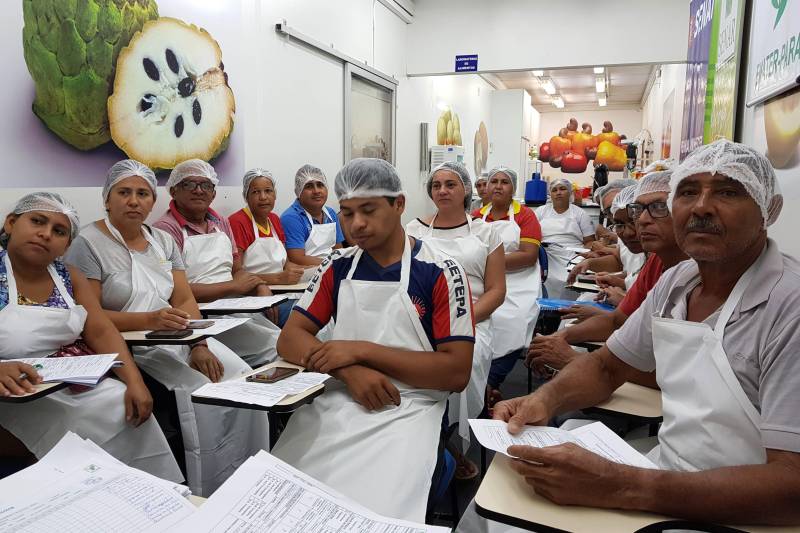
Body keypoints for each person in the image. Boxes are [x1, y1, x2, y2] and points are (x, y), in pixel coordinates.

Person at [483, 140, 800, 527]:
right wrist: (544, 399)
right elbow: (607, 367)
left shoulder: (789, 306)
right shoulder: (678, 281)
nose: (701, 206)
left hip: (745, 515)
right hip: (667, 472)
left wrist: (623, 486)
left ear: (768, 209)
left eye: (728, 191)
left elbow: (792, 482)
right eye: (687, 192)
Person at [271, 158, 474, 521]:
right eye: (346, 213)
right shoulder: (337, 267)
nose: (356, 224)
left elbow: (455, 371)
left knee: (375, 511)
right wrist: (351, 372)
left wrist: (361, 350)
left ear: (399, 204)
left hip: (410, 406)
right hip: (338, 397)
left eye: (368, 210)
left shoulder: (440, 271)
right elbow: (290, 339)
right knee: (288, 499)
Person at [65, 160, 268, 496]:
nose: (134, 201)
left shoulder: (162, 240)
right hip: (132, 346)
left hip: (182, 335)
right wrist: (150, 320)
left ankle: (247, 475)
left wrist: (199, 345)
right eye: (124, 192)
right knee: (198, 392)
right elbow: (91, 316)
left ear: (152, 200)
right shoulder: (87, 243)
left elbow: (185, 298)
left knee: (240, 378)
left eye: (142, 193)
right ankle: (205, 486)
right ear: (107, 198)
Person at [0, 192, 182, 482]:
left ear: (66, 245)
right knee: (68, 425)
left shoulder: (69, 277)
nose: (45, 234)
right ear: (11, 223)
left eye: (59, 231)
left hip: (66, 381)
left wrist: (134, 381)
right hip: (12, 395)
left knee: (127, 404)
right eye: (37, 221)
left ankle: (145, 497)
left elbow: (100, 330)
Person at [529, 171, 687, 374]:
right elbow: (619, 319)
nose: (642, 222)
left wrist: (575, 359)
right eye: (638, 211)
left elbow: (674, 370)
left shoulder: (693, 273)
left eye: (658, 208)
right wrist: (561, 338)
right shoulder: (657, 262)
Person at [406, 161, 506, 478]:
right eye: (436, 185)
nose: (443, 190)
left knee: (464, 363)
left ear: (465, 189)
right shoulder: (413, 230)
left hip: (474, 320)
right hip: (421, 317)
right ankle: (422, 444)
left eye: (450, 184)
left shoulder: (486, 232)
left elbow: (496, 290)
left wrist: (459, 322)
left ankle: (445, 443)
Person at [153, 159, 281, 367]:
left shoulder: (220, 222)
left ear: (213, 193)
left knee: (283, 341)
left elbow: (236, 268)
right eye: (189, 184)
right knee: (271, 349)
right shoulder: (165, 230)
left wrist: (259, 285)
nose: (199, 190)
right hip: (197, 317)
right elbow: (172, 292)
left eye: (206, 185)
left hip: (234, 307)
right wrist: (232, 286)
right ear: (174, 191)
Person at [470, 166, 541, 399]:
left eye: (504, 182)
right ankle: (474, 376)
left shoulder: (525, 215)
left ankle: (492, 380)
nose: (498, 186)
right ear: (486, 188)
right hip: (482, 281)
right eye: (494, 181)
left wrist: (489, 262)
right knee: (473, 320)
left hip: (519, 281)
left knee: (515, 321)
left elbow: (528, 255)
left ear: (513, 189)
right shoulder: (476, 216)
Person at [229, 167, 304, 326]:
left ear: (275, 194)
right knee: (304, 315)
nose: (263, 197)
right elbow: (236, 273)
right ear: (246, 196)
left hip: (281, 290)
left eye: (268, 191)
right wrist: (277, 278)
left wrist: (300, 271)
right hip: (252, 296)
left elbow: (285, 262)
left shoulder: (274, 220)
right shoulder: (238, 222)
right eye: (256, 192)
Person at [535, 178, 595, 298]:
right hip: (546, 254)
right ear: (550, 194)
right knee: (543, 278)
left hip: (573, 253)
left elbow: (589, 241)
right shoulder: (540, 212)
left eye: (562, 189)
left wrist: (585, 255)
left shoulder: (580, 214)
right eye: (554, 190)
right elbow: (532, 236)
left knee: (574, 278)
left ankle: (570, 308)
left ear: (570, 193)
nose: (558, 192)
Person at [280, 164, 345, 269]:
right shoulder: (291, 218)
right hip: (306, 276)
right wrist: (333, 264)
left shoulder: (331, 214)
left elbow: (338, 250)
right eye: (309, 186)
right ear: (299, 191)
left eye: (320, 185)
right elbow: (297, 259)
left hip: (331, 269)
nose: (316, 191)